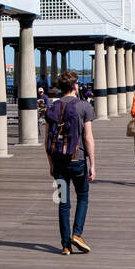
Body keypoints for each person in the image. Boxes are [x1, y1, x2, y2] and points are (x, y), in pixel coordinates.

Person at [45, 69, 95, 256]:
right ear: (75, 86)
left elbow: (47, 140)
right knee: (82, 197)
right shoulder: (84, 107)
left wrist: (50, 164)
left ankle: (66, 245)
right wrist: (93, 164)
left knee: (63, 202)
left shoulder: (52, 108)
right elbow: (88, 138)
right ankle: (77, 234)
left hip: (58, 162)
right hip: (77, 160)